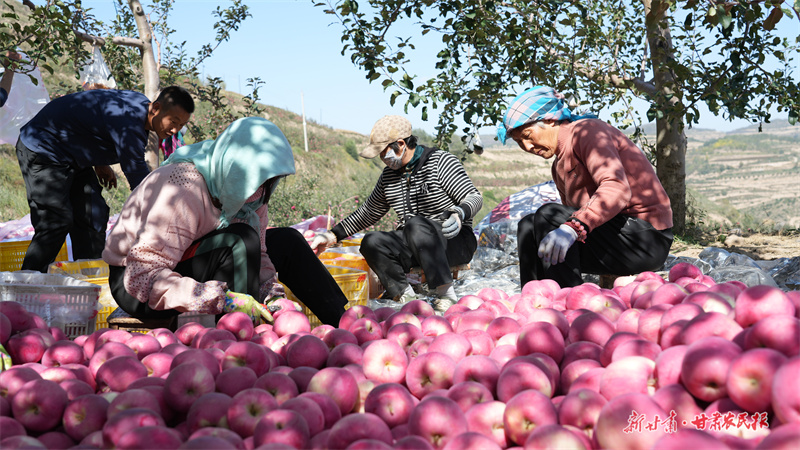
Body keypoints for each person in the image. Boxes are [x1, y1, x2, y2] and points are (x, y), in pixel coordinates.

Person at [103, 117, 348, 326]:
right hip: (139, 283)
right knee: (239, 239)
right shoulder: (184, 188)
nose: (261, 190)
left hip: (198, 256)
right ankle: (243, 338)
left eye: (268, 181)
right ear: (235, 168)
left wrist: (270, 293)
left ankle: (344, 324)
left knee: (287, 241)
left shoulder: (253, 195)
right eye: (257, 179)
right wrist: (221, 298)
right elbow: (142, 277)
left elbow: (260, 252)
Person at [497, 86, 674, 288]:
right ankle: (537, 298)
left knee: (549, 215)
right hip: (613, 237)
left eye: (528, 135)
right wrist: (570, 227)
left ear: (550, 120)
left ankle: (571, 303)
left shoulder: (587, 131)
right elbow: (569, 215)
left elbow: (616, 188)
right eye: (520, 142)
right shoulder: (558, 167)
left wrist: (573, 227)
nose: (527, 146)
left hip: (646, 238)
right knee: (529, 226)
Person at [311, 115, 483, 313]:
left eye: (383, 152)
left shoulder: (440, 162)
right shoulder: (389, 176)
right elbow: (369, 211)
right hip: (417, 245)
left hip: (454, 242)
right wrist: (332, 235)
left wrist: (459, 213)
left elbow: (474, 196)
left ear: (400, 144)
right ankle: (404, 295)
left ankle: (445, 294)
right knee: (372, 241)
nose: (382, 158)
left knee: (415, 225)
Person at [16, 86, 194, 272]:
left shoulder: (139, 103)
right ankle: (28, 283)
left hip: (71, 154)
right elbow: (139, 180)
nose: (175, 129)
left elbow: (97, 118)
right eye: (173, 121)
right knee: (56, 221)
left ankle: (90, 281)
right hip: (43, 148)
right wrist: (167, 215)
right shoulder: (130, 124)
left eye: (181, 125)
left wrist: (100, 161)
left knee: (93, 215)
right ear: (156, 109)